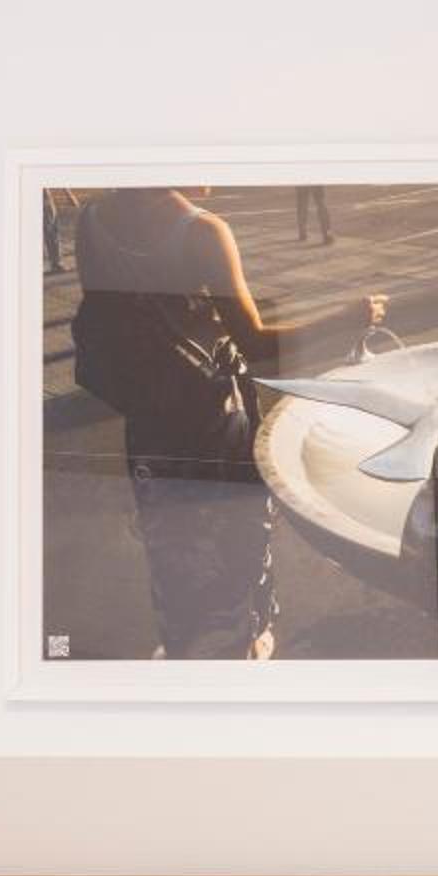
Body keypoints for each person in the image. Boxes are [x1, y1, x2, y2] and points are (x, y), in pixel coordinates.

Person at [69, 187, 383, 660]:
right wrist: (348, 318)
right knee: (237, 536)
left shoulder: (92, 220)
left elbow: (108, 321)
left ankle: (183, 644)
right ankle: (241, 649)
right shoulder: (202, 233)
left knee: (172, 538)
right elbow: (257, 345)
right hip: (214, 420)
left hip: (149, 420)